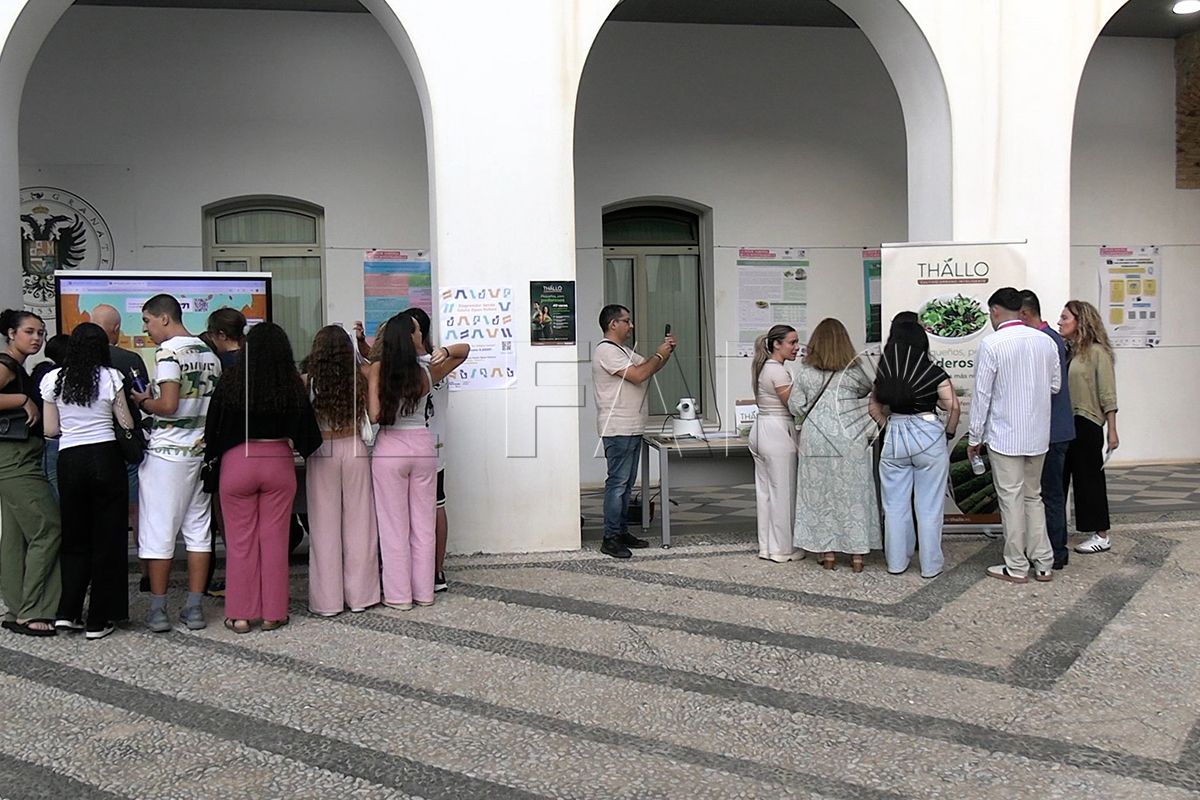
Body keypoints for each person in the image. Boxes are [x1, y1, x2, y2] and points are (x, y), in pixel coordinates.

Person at [205, 322, 320, 633]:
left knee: (239, 541)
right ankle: (274, 612)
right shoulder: (290, 383)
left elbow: (213, 429)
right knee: (275, 540)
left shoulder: (231, 380)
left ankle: (240, 615)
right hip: (277, 462)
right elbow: (310, 436)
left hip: (237, 462)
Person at [130, 294, 223, 632]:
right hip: (200, 452)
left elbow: (168, 405)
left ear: (164, 318)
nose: (146, 329)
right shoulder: (208, 353)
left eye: (147, 321)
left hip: (167, 454)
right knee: (198, 531)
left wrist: (144, 401)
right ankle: (194, 608)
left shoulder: (168, 352)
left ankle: (158, 610)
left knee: (158, 532)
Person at [39, 323, 137, 640]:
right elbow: (125, 422)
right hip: (105, 457)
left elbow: (50, 430)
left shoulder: (53, 379)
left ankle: (67, 613)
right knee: (108, 539)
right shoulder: (110, 377)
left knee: (75, 537)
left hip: (70, 459)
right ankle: (98, 619)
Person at [369, 313, 468, 608]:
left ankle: (399, 596)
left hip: (390, 448)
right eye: (416, 331)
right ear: (409, 338)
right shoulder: (427, 369)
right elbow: (464, 352)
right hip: (423, 447)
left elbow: (374, 415)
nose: (420, 334)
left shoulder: (378, 369)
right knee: (424, 524)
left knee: (393, 526)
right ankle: (424, 592)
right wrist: (445, 350)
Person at [967, 287, 1060, 584]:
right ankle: (1043, 562)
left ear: (995, 311)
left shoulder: (992, 344)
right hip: (1038, 434)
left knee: (1011, 499)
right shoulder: (1046, 341)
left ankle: (1016, 565)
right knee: (1034, 497)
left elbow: (982, 395)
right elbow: (1055, 385)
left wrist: (974, 437)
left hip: (1005, 435)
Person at [788, 318, 880, 571]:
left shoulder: (806, 373)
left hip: (817, 437)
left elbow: (795, 406)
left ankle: (827, 553)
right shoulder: (854, 372)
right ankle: (857, 555)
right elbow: (866, 390)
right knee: (853, 493)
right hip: (850, 435)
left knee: (820, 493)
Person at [869, 320, 960, 578]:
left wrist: (888, 426)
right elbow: (953, 407)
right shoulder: (934, 372)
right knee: (929, 505)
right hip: (928, 431)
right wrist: (948, 432)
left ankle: (896, 562)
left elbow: (873, 408)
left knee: (894, 505)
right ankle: (930, 565)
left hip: (895, 433)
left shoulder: (886, 374)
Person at [303, 325, 379, 616]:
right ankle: (361, 596)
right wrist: (361, 346)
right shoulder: (360, 376)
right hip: (354, 447)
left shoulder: (309, 381)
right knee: (361, 523)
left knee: (323, 527)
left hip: (323, 451)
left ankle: (327, 601)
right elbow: (373, 411)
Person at [591, 304, 676, 559]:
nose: (631, 325)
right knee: (617, 484)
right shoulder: (606, 351)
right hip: (617, 427)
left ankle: (621, 531)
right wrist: (659, 354)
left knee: (627, 485)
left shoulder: (623, 350)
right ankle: (610, 538)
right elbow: (638, 375)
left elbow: (649, 367)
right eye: (626, 321)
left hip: (631, 426)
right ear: (613, 324)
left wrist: (665, 353)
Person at [0, 309, 61, 637]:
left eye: (40, 332)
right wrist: (22, 398)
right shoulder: (7, 364)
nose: (37, 338)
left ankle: (17, 607)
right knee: (47, 529)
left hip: (14, 458)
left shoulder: (16, 366)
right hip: (16, 459)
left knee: (15, 536)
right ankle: (34, 610)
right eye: (29, 332)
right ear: (11, 334)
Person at [401, 307, 468, 592]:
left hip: (414, 445)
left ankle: (421, 570)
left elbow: (464, 349)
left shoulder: (419, 365)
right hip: (433, 447)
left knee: (416, 510)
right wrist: (445, 350)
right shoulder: (436, 362)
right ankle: (434, 570)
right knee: (435, 506)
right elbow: (463, 351)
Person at [90, 303, 148, 588]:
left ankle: (98, 572)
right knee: (138, 510)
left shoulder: (73, 361)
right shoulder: (129, 359)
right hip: (127, 443)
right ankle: (146, 572)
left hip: (91, 446)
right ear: (115, 330)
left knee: (96, 512)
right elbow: (143, 396)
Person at [1018, 290, 1075, 570]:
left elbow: (1050, 389)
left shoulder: (1045, 341)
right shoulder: (1051, 339)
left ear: (1024, 314)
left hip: (1051, 431)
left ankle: (1055, 551)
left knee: (1049, 494)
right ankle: (1049, 549)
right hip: (1053, 429)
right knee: (1047, 493)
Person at [1059, 299, 1119, 555]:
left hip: (1087, 421)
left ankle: (1101, 534)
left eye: (1065, 318)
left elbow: (1108, 393)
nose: (1060, 322)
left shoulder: (1097, 352)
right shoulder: (1067, 351)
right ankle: (1055, 532)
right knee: (1060, 477)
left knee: (1088, 479)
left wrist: (1112, 430)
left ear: (1080, 321)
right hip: (1065, 422)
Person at [748, 324, 800, 563]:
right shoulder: (778, 372)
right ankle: (782, 549)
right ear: (777, 344)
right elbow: (794, 405)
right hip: (778, 431)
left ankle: (766, 546)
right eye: (792, 342)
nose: (796, 347)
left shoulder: (763, 368)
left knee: (765, 493)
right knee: (783, 492)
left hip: (761, 429)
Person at [30, 333, 69, 499]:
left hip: (46, 436)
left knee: (54, 484)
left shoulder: (42, 371)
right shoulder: (60, 375)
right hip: (63, 435)